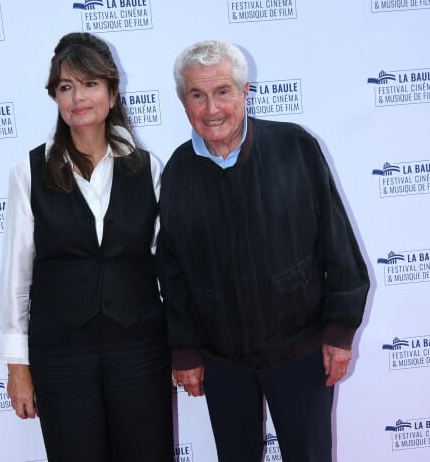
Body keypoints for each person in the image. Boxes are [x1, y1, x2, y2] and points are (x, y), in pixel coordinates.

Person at [156, 40, 370, 462]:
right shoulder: (178, 171)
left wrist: (341, 332)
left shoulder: (295, 147)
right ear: (183, 102)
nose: (211, 108)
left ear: (244, 92)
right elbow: (172, 269)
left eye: (222, 92)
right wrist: (184, 349)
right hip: (223, 362)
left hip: (302, 351)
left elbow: (336, 241)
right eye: (197, 95)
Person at [0, 32, 173, 462]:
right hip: (61, 355)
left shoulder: (147, 167)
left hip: (139, 348)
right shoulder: (29, 171)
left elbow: (170, 265)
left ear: (112, 94)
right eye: (65, 86)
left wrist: (182, 343)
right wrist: (17, 365)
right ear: (55, 96)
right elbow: (16, 274)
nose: (78, 97)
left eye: (90, 83)